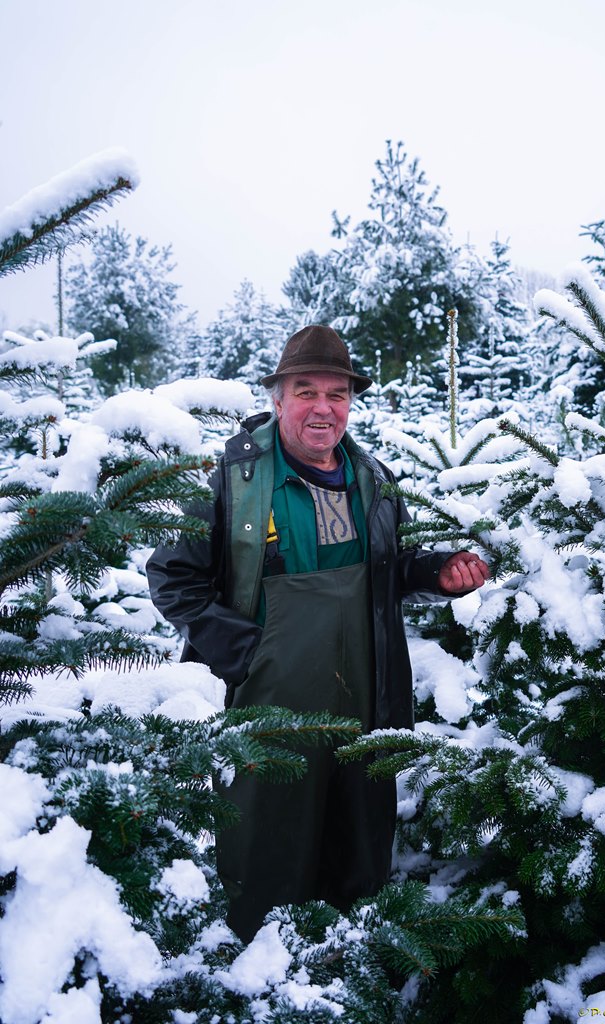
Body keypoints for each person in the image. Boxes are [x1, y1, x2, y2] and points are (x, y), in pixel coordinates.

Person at [146, 324, 489, 942]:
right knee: (267, 845)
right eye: (306, 392)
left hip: (368, 694)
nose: (323, 409)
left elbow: (394, 566)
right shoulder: (232, 480)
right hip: (269, 701)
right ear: (278, 398)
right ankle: (259, 971)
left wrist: (439, 572)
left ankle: (352, 967)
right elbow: (173, 578)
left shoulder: (373, 480)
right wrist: (247, 654)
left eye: (337, 394)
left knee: (357, 840)